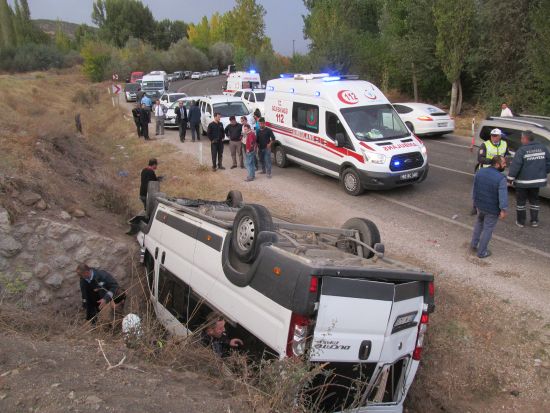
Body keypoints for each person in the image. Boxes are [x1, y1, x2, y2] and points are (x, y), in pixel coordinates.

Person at [507, 130, 550, 228]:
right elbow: (548, 163)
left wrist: (510, 179)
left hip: (523, 182)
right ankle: (534, 221)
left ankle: (521, 222)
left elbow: (515, 166)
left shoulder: (522, 150)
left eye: (522, 138)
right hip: (537, 182)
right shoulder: (543, 148)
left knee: (521, 202)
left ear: (525, 139)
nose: (521, 140)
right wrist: (542, 172)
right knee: (534, 201)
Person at [470, 155, 508, 259]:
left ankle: (473, 245)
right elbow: (503, 196)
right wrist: (503, 210)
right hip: (492, 209)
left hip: (479, 205)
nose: (505, 165)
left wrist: (474, 203)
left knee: (479, 224)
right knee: (488, 229)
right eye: (504, 163)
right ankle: (482, 252)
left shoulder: (480, 172)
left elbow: (474, 189)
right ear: (497, 164)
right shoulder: (501, 178)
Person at [471, 128, 509, 214]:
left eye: (495, 136)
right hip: (484, 171)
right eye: (492, 135)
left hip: (497, 172)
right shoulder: (485, 145)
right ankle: (474, 207)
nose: (493, 137)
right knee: (478, 189)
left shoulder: (504, 144)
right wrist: (493, 161)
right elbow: (480, 158)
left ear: (500, 136)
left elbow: (506, 154)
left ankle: (490, 207)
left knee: (492, 191)